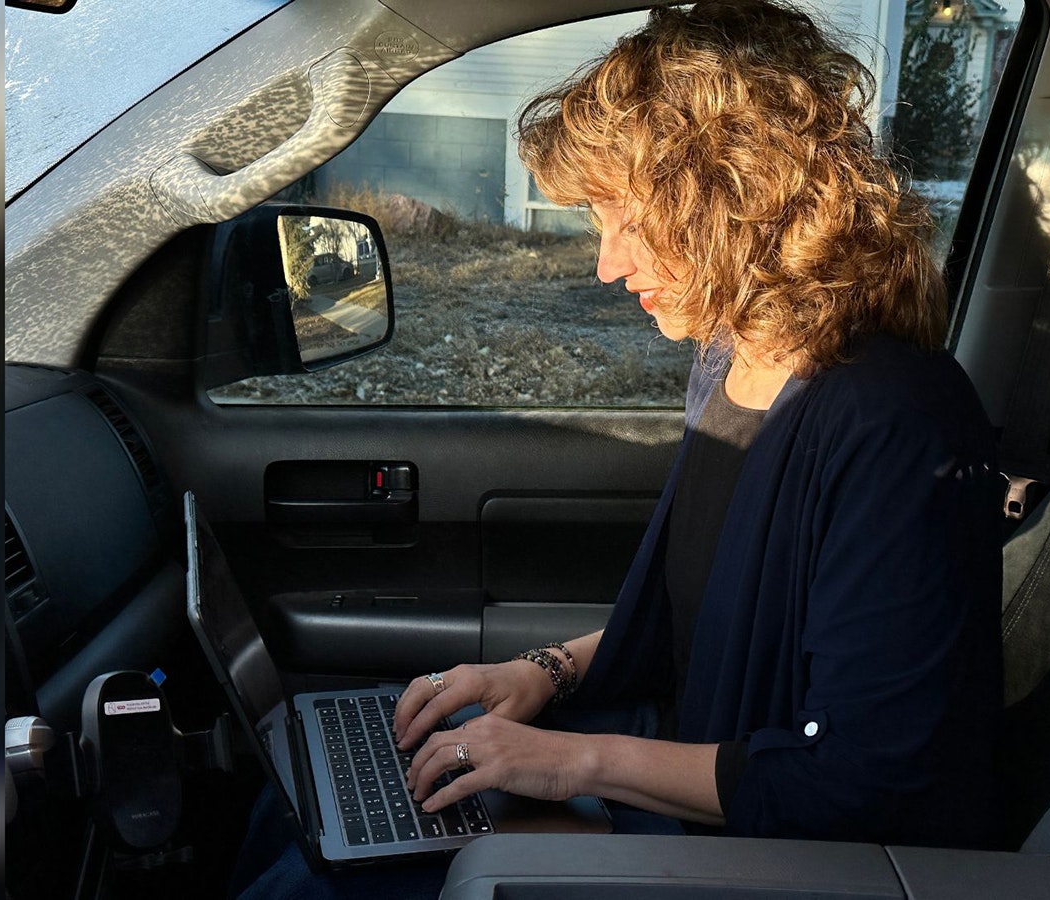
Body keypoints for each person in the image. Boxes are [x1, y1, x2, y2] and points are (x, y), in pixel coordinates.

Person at [234, 2, 1001, 894]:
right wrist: (544, 673)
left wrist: (570, 763)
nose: (605, 263)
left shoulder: (898, 423)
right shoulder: (730, 359)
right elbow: (700, 621)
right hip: (677, 809)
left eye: (621, 218)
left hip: (763, 866)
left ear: (729, 196)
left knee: (306, 880)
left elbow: (853, 779)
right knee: (287, 809)